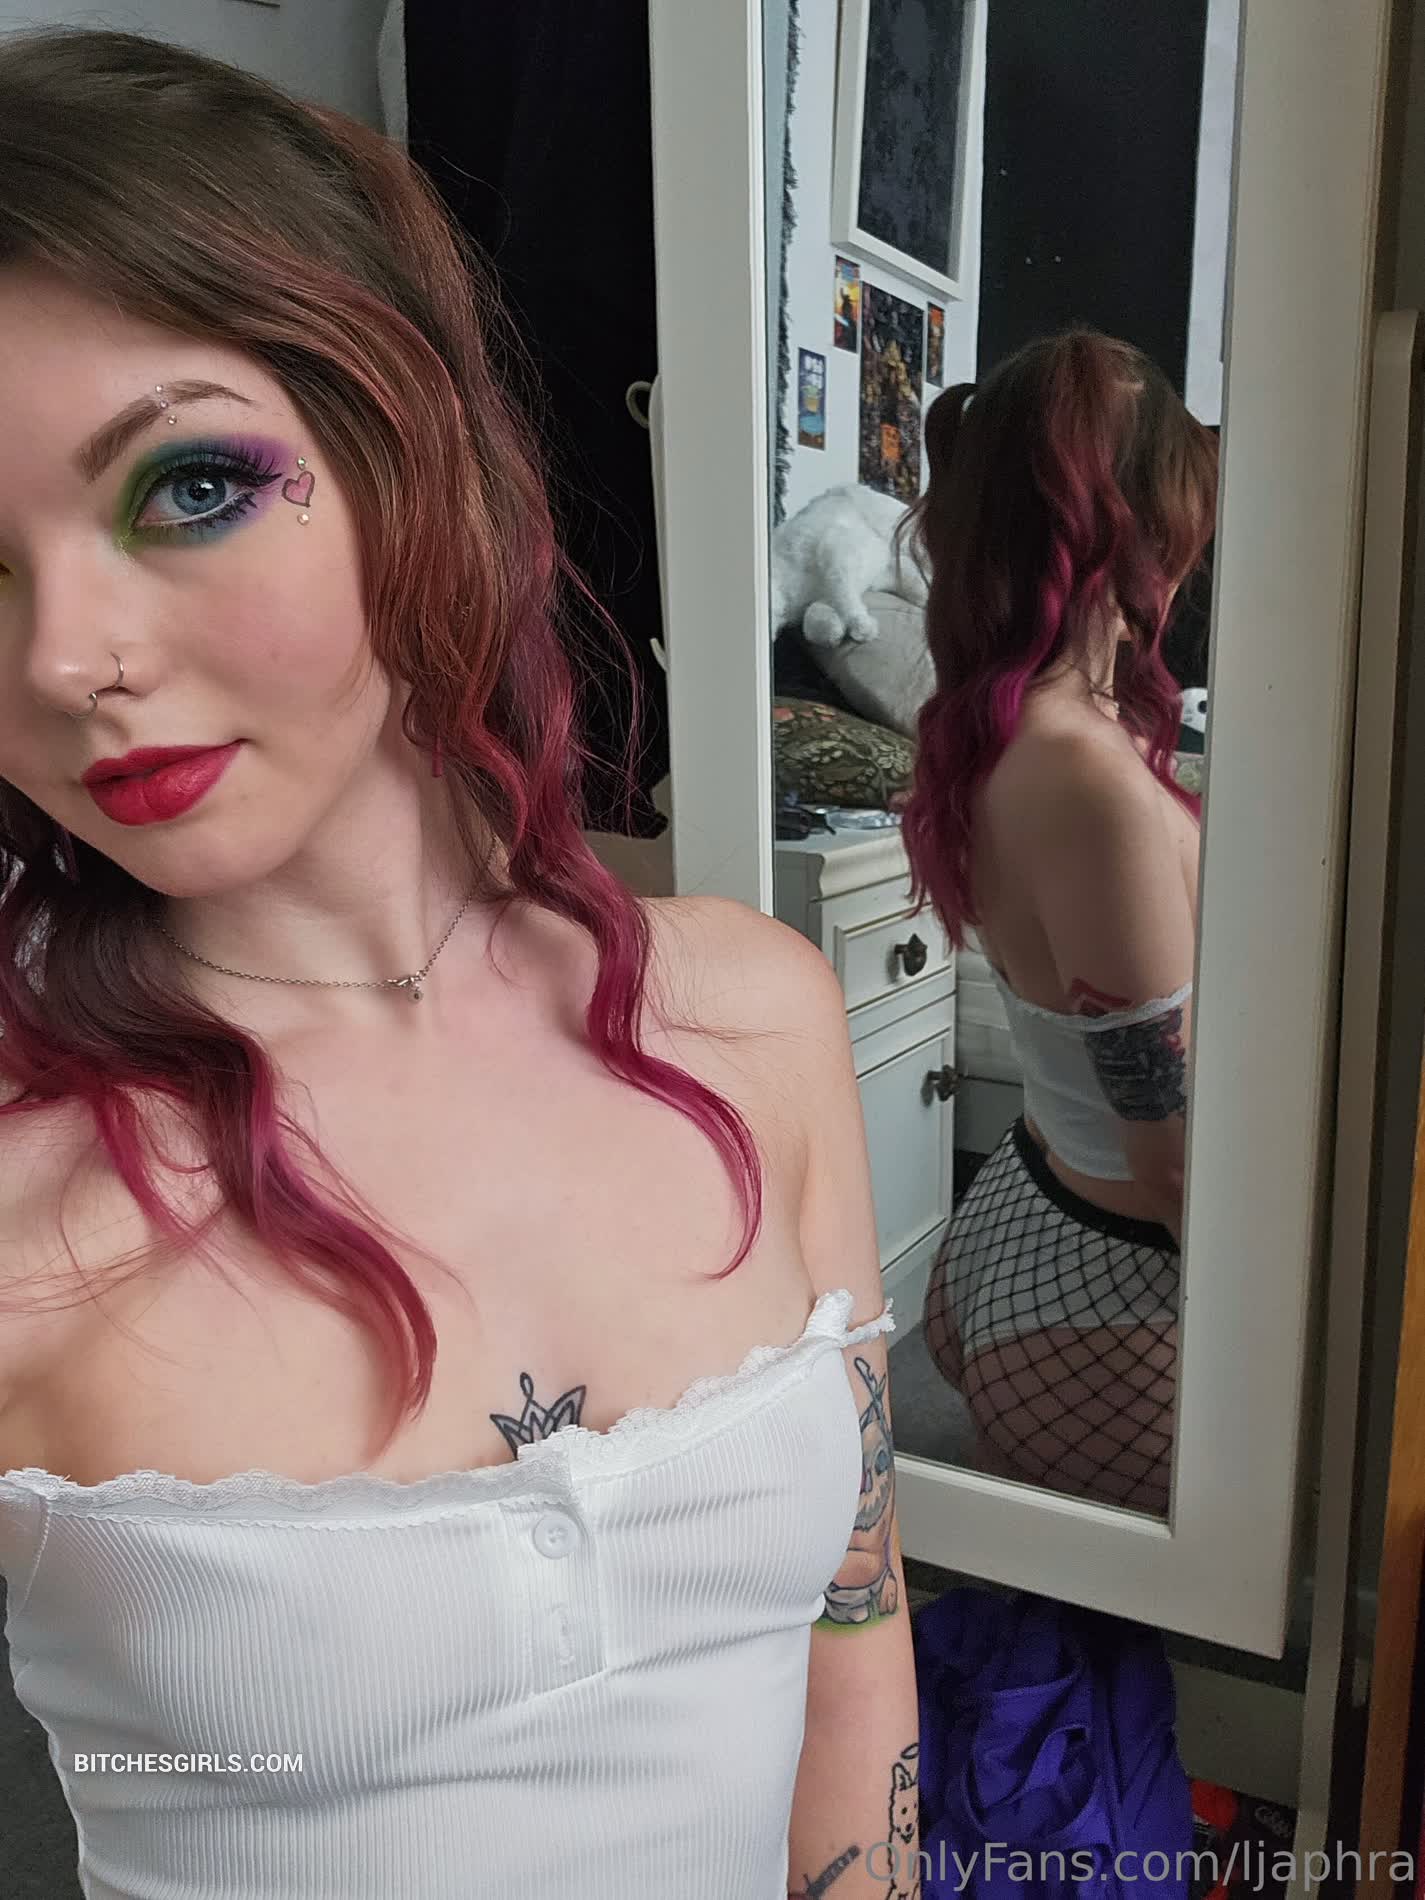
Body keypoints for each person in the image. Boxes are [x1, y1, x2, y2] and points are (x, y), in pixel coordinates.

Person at [0, 29, 919, 1899]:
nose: (64, 661)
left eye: (186, 487)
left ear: (409, 445)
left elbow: (854, 1636)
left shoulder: (750, 1015)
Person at [902, 332, 1217, 1515]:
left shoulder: (1007, 728)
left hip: (1034, 1214)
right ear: (1126, 537)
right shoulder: (1090, 780)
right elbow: (1171, 1155)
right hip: (1103, 1292)